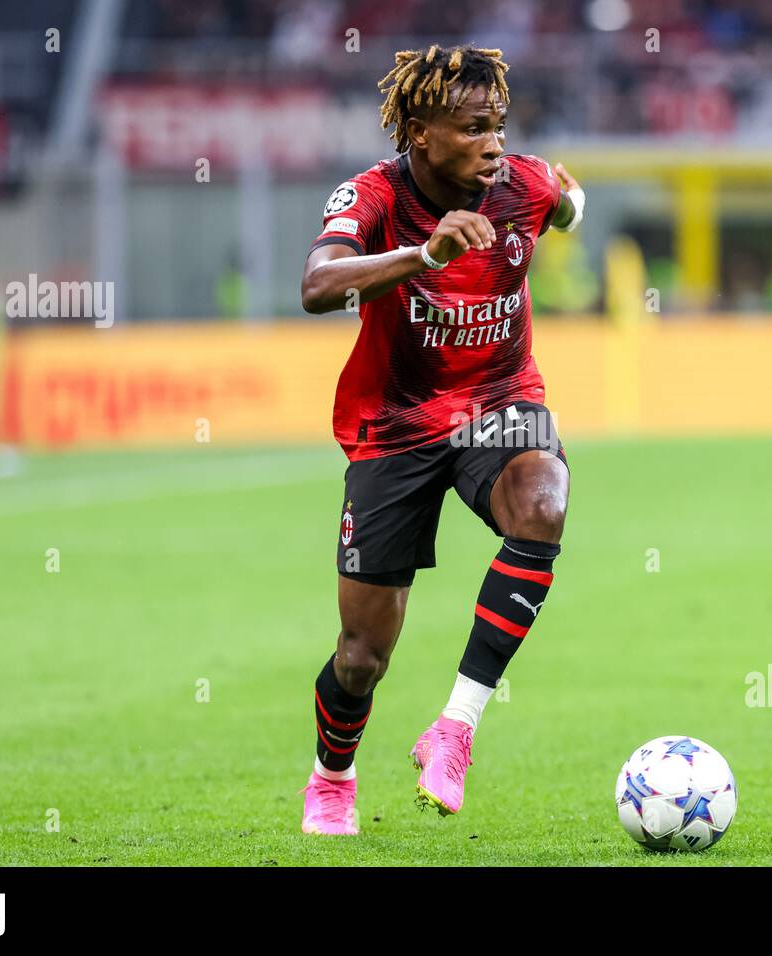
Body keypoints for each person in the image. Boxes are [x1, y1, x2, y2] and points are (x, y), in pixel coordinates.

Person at [297, 44, 584, 834]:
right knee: (362, 656)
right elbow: (317, 286)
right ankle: (332, 776)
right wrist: (424, 255)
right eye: (470, 129)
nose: (492, 142)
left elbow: (560, 199)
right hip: (394, 426)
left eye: (498, 125)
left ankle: (455, 727)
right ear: (420, 133)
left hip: (499, 399)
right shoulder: (374, 195)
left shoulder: (519, 183)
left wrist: (570, 202)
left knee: (544, 504)